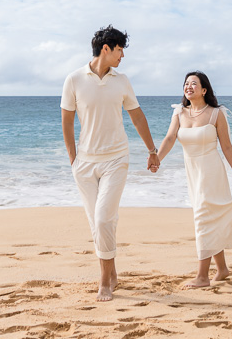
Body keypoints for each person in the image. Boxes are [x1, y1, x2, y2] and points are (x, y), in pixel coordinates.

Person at [61, 25, 160, 301]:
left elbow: (137, 117)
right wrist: (73, 158)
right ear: (106, 49)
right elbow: (67, 120)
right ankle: (113, 272)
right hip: (85, 164)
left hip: (116, 158)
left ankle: (105, 281)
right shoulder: (74, 80)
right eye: (119, 50)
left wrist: (152, 150)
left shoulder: (122, 80)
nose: (122, 56)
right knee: (99, 223)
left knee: (104, 219)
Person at [152, 70, 232, 288]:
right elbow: (170, 138)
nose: (188, 86)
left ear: (204, 90)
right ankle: (222, 269)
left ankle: (202, 276)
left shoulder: (216, 114)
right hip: (193, 174)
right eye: (186, 83)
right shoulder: (179, 113)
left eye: (194, 83)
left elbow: (227, 147)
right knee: (209, 219)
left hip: (212, 173)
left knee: (203, 217)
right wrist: (157, 159)